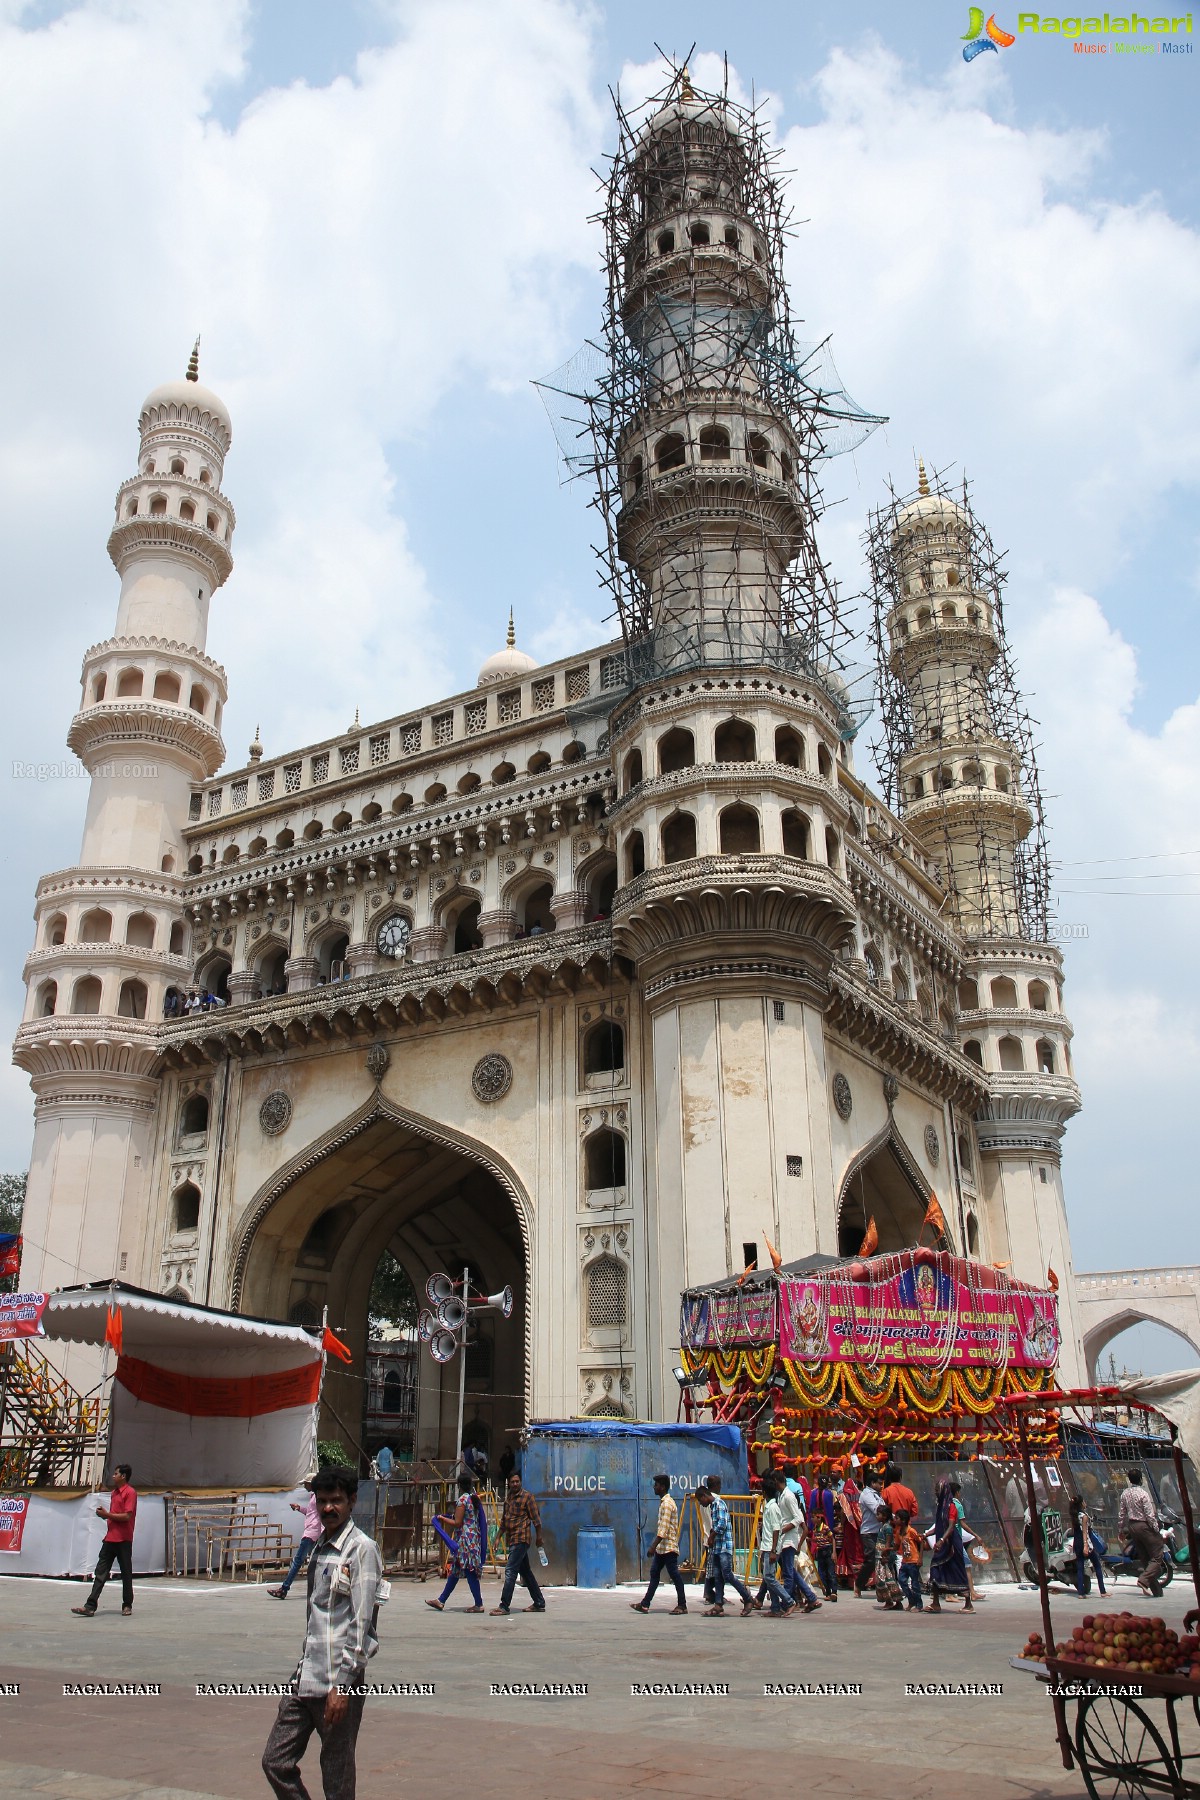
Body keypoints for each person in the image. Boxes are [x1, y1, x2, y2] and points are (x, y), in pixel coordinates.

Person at [262, 1465, 386, 1800]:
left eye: (336, 1501)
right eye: (323, 1501)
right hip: (306, 1677)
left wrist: (343, 1687)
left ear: (352, 1502)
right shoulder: (318, 1547)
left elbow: (362, 1626)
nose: (328, 1508)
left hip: (338, 1682)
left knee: (336, 1777)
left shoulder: (362, 1549)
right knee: (275, 1761)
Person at [72, 1462, 137, 1617]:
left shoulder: (130, 1493)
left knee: (126, 1573)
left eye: (116, 1474)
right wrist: (106, 1515)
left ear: (123, 1476)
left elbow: (127, 1516)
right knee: (100, 1572)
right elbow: (116, 1515)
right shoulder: (114, 1493)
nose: (113, 1476)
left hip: (123, 1539)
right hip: (110, 1538)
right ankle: (90, 1605)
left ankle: (127, 1604)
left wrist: (107, 1515)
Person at [427, 1474, 487, 1613]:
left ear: (459, 1485)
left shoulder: (463, 1500)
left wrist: (442, 1518)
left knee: (469, 1571)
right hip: (473, 1539)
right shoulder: (474, 1498)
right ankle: (441, 1600)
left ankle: (479, 1604)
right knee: (456, 1570)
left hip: (465, 1541)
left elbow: (458, 1522)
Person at [631, 1473, 687, 1614]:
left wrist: (652, 1546)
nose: (654, 1487)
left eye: (656, 1485)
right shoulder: (664, 1502)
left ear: (662, 1487)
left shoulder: (667, 1504)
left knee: (674, 1575)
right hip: (663, 1548)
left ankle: (682, 1605)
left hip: (668, 1547)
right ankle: (645, 1604)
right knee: (654, 1573)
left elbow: (664, 1529)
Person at [490, 1472, 545, 1615]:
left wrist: (539, 1537)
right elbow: (504, 1521)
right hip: (511, 1538)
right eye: (513, 1482)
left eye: (517, 1481)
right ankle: (539, 1602)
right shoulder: (508, 1499)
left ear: (520, 1482)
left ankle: (504, 1606)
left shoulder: (528, 1497)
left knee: (510, 1571)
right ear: (509, 1483)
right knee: (525, 1571)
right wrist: (497, 1538)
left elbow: (537, 1521)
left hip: (521, 1538)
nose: (515, 1484)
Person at [698, 1477, 754, 1617]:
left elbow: (721, 1525)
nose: (701, 1504)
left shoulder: (718, 1504)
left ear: (704, 1496)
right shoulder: (713, 1506)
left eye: (700, 1501)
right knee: (718, 1576)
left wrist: (711, 1536)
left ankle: (747, 1599)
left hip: (724, 1547)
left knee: (727, 1574)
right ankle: (718, 1605)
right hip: (718, 1547)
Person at [774, 1470, 822, 1611]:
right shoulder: (782, 1496)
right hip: (785, 1540)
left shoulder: (788, 1496)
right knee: (790, 1572)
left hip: (789, 1540)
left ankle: (787, 1602)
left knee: (789, 1574)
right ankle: (810, 1597)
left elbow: (798, 1519)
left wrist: (784, 1529)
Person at [268, 1483, 322, 1600]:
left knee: (298, 1561)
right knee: (315, 1562)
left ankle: (284, 1589)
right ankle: (317, 1588)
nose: (304, 1486)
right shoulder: (313, 1496)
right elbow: (311, 1513)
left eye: (306, 1484)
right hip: (313, 1532)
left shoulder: (318, 1496)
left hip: (311, 1533)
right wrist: (299, 1508)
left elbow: (319, 1514)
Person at [752, 1475, 796, 1616]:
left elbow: (776, 1530)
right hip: (766, 1547)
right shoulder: (769, 1506)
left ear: (765, 1492)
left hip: (771, 1547)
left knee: (769, 1577)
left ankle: (789, 1601)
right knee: (769, 1578)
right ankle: (775, 1608)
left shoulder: (773, 1508)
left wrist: (773, 1550)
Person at [929, 1477, 974, 1613]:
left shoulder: (951, 1506)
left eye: (938, 1490)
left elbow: (951, 1526)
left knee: (958, 1571)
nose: (936, 1492)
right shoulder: (940, 1506)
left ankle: (968, 1604)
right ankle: (935, 1603)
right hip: (942, 1545)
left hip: (951, 1545)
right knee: (936, 1570)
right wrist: (926, 1535)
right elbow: (939, 1526)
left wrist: (942, 1540)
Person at [1118, 1470, 1166, 1597]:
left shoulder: (1125, 1493)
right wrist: (1156, 1530)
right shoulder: (1143, 1494)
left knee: (1145, 1559)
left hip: (1132, 1526)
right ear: (1140, 1480)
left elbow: (1122, 1514)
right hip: (1144, 1526)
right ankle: (1143, 1579)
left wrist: (1120, 1530)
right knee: (1157, 1556)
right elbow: (1149, 1515)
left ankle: (1156, 1590)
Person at [853, 1469, 885, 1597]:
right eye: (879, 1483)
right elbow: (877, 1509)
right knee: (871, 1560)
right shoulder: (866, 1494)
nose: (881, 1486)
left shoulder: (877, 1494)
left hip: (879, 1531)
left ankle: (883, 1587)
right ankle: (859, 1584)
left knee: (883, 1559)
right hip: (868, 1532)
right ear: (872, 1483)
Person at [811, 1477, 839, 1601]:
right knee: (823, 1571)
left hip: (826, 1548)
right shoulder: (828, 1494)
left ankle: (832, 1592)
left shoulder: (814, 1493)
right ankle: (828, 1592)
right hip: (821, 1547)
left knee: (829, 1571)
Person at [872, 1505, 904, 1609]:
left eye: (878, 1514)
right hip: (880, 1556)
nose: (877, 1516)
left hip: (884, 1557)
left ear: (885, 1516)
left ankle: (892, 1601)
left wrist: (885, 1555)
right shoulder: (883, 1526)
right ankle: (891, 1601)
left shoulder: (888, 1528)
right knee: (884, 1579)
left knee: (885, 1579)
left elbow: (888, 1544)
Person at [895, 1508, 925, 1612]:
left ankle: (919, 1604)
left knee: (915, 1584)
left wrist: (920, 1558)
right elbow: (897, 1545)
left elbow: (921, 1542)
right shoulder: (899, 1532)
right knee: (902, 1581)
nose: (895, 1519)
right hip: (905, 1561)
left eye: (897, 1518)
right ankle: (911, 1600)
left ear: (903, 1520)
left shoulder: (911, 1531)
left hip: (913, 1561)